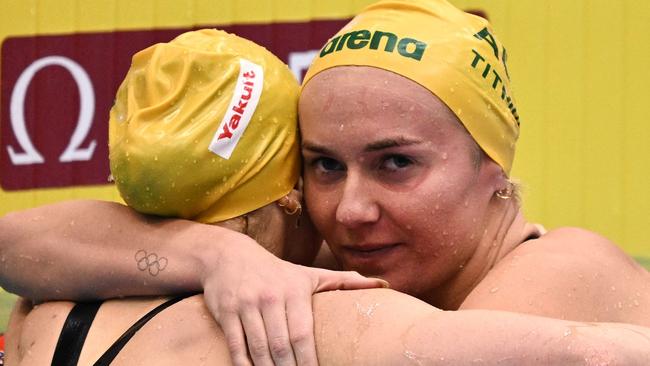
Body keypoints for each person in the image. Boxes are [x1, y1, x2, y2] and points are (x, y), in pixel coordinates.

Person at [1, 0, 649, 364]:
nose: (350, 209)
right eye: (324, 166)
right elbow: (20, 244)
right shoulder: (341, 258)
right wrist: (215, 254)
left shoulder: (561, 272)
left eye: (397, 163)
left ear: (492, 167)